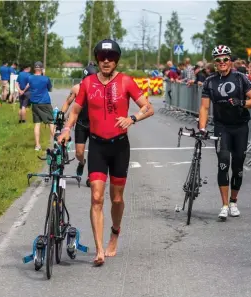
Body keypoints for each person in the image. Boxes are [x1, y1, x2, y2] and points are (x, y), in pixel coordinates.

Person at [57, 39, 154, 266]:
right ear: (98, 60)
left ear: (116, 60)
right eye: (102, 57)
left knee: (117, 198)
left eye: (110, 57)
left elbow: (148, 108)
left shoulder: (126, 82)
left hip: (120, 146)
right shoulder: (88, 83)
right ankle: (99, 249)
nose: (106, 61)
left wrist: (132, 118)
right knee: (97, 197)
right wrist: (66, 129)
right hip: (98, 146)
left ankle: (115, 233)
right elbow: (75, 111)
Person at [198, 45, 251, 220]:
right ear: (215, 63)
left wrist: (241, 103)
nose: (222, 63)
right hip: (221, 127)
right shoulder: (210, 81)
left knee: (238, 164)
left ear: (230, 61)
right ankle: (224, 205)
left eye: (225, 59)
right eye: (218, 60)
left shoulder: (241, 78)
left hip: (240, 126)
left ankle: (234, 201)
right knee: (223, 162)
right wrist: (202, 128)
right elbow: (204, 107)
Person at [61, 64, 98, 185]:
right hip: (81, 124)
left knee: (94, 153)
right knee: (79, 153)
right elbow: (67, 102)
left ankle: (91, 177)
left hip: (95, 125)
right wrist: (61, 115)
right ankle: (82, 163)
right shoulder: (77, 88)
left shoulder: (100, 88)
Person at [25, 61, 55, 150]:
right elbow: (50, 89)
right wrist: (44, 74)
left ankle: (37, 145)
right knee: (51, 122)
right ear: (42, 69)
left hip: (34, 103)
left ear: (34, 68)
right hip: (45, 102)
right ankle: (58, 142)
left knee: (37, 124)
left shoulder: (30, 78)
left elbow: (31, 87)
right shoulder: (46, 78)